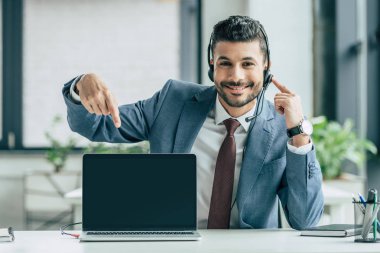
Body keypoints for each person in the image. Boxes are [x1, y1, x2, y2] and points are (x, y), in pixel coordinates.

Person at [62, 15, 323, 230]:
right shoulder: (172, 101)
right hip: (174, 244)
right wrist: (81, 84)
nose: (236, 76)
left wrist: (299, 133)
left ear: (266, 68)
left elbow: (305, 220)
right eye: (225, 63)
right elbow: (93, 125)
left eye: (247, 64)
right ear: (212, 65)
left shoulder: (282, 127)